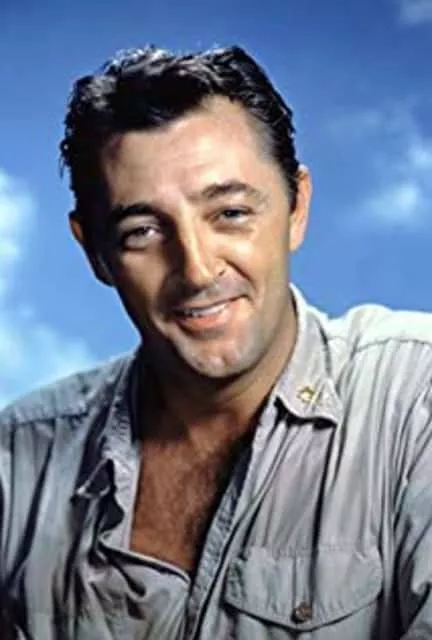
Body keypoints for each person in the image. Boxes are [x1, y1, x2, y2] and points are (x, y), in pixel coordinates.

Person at [1, 44, 432, 640]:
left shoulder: (416, 400)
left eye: (229, 213)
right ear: (94, 251)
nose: (198, 270)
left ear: (297, 207)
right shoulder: (17, 460)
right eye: (143, 231)